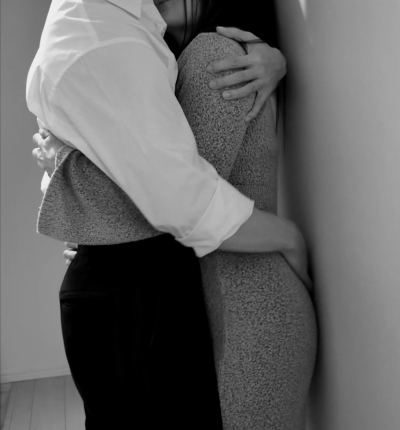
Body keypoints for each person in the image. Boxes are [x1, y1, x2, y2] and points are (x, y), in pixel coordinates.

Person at [28, 0, 314, 429]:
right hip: (200, 292)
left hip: (240, 304)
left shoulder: (208, 54)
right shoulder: (121, 37)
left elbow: (179, 199)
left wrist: (66, 174)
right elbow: (165, 189)